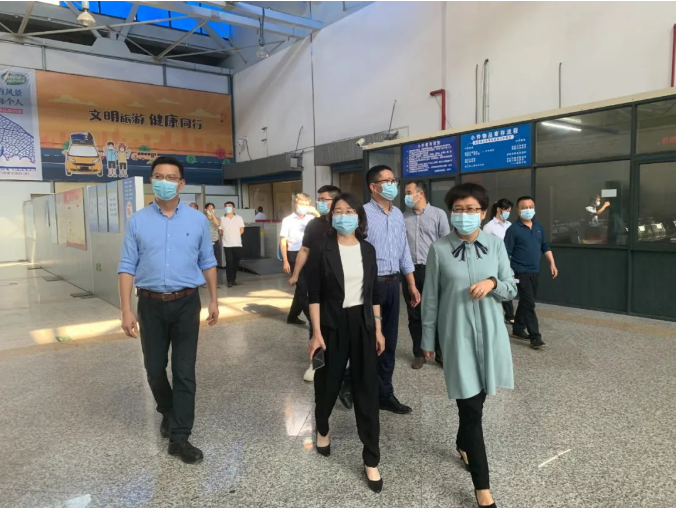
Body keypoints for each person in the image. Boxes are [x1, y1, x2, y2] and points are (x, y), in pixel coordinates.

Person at [117, 156, 219, 465]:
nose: (165, 182)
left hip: (187, 303)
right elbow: (127, 266)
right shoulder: (137, 221)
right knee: (154, 368)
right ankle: (168, 410)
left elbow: (208, 261)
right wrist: (126, 309)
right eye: (159, 176)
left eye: (171, 177)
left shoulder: (197, 220)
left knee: (184, 371)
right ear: (152, 181)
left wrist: (214, 299)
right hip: (150, 305)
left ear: (181, 184)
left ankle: (180, 437)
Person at [422, 183, 517, 508]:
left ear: (484, 212)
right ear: (451, 213)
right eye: (459, 210)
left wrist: (492, 283)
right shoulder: (439, 249)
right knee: (471, 408)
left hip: (490, 335)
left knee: (478, 403)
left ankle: (462, 443)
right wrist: (427, 339)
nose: (465, 215)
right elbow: (430, 299)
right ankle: (482, 486)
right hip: (457, 337)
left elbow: (511, 287)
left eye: (472, 209)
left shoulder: (495, 245)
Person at [306, 193, 386, 493]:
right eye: (338, 211)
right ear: (331, 217)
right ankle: (322, 426)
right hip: (331, 323)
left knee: (367, 390)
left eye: (350, 211)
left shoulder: (368, 249)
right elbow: (313, 293)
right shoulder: (321, 247)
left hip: (363, 323)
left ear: (359, 217)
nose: (343, 216)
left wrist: (378, 329)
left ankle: (371, 459)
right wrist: (316, 332)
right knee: (328, 383)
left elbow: (374, 293)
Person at [364, 165, 420, 415]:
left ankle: (384, 393)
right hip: (370, 285)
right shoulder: (362, 214)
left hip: (393, 283)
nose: (392, 185)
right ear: (373, 187)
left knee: (389, 341)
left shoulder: (397, 214)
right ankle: (357, 386)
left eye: (393, 180)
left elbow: (403, 249)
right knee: (368, 340)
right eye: (386, 181)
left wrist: (411, 283)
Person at [288, 185, 344, 385]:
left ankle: (341, 361)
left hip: (341, 281)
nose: (319, 203)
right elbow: (304, 250)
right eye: (318, 199)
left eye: (324, 199)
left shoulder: (345, 222)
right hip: (317, 280)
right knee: (316, 321)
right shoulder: (313, 225)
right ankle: (317, 363)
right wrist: (296, 274)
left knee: (341, 321)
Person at [402, 180, 450, 369]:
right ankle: (419, 353)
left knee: (436, 311)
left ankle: (440, 351)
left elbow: (446, 244)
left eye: (408, 192)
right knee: (414, 313)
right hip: (410, 271)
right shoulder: (403, 217)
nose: (406, 196)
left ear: (420, 193)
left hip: (433, 270)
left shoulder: (438, 214)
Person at [504, 196, 559, 350]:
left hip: (535, 270)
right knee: (529, 303)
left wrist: (552, 263)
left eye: (531, 207)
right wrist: (508, 273)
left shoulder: (538, 227)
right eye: (524, 207)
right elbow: (506, 253)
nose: (528, 210)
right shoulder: (513, 230)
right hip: (519, 272)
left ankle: (518, 328)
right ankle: (535, 337)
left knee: (526, 301)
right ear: (518, 210)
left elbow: (545, 246)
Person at [280, 193, 320, 325]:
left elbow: (325, 224)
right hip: (294, 254)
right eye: (301, 204)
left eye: (306, 204)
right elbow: (283, 241)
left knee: (301, 288)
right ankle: (313, 321)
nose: (303, 206)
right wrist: (285, 260)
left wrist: (316, 213)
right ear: (296, 203)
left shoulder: (312, 219)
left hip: (310, 253)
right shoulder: (288, 220)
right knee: (302, 288)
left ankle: (292, 316)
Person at [483, 198, 515, 325]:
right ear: (498, 210)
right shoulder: (489, 227)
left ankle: (509, 314)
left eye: (509, 211)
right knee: (499, 285)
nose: (507, 213)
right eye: (506, 210)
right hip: (495, 261)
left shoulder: (510, 225)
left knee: (508, 284)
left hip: (509, 260)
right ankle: (508, 315)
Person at [219, 201, 245, 288]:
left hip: (237, 243)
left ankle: (233, 279)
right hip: (227, 244)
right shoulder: (222, 219)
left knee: (235, 262)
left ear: (233, 208)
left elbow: (242, 230)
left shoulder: (239, 218)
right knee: (229, 262)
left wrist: (235, 235)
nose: (228, 207)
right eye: (226, 206)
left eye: (229, 206)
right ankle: (229, 280)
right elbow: (220, 231)